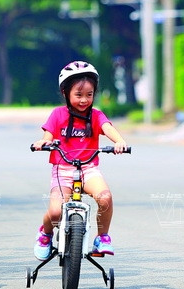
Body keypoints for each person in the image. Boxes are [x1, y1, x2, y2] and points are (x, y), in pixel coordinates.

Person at [31, 61, 129, 260]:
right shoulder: (58, 114)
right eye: (78, 94)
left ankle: (102, 237)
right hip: (63, 169)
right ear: (66, 92)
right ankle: (46, 234)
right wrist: (43, 143)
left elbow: (107, 128)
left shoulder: (96, 115)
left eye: (89, 94)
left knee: (105, 198)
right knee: (56, 212)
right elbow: (48, 135)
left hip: (89, 169)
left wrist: (120, 141)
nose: (84, 100)